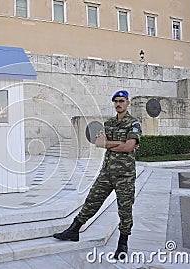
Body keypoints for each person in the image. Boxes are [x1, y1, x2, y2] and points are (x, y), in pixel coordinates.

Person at [53, 90, 141, 260]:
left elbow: (129, 147)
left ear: (128, 103)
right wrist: (118, 143)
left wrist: (110, 144)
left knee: (125, 209)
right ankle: (74, 230)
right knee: (91, 201)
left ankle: (123, 244)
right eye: (116, 101)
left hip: (125, 176)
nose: (118, 104)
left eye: (122, 101)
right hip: (106, 173)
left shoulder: (133, 123)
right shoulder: (108, 124)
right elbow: (100, 143)